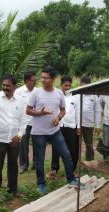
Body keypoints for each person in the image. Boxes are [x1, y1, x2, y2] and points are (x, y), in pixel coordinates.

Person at [26, 66, 78, 194]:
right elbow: (28, 110)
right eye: (42, 77)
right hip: (39, 133)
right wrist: (40, 113)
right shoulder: (36, 93)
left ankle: (71, 179)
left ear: (53, 79)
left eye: (46, 78)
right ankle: (41, 184)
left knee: (66, 154)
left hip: (54, 131)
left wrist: (58, 118)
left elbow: (63, 110)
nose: (43, 80)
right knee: (40, 160)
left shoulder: (59, 93)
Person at [50, 76, 79, 177]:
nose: (67, 87)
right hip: (58, 126)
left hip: (71, 126)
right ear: (61, 85)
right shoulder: (55, 95)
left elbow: (78, 112)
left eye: (69, 86)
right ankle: (54, 169)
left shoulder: (75, 97)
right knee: (56, 148)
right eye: (65, 85)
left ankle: (72, 169)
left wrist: (78, 126)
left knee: (72, 149)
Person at [75, 75, 102, 161]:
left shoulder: (94, 96)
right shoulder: (77, 94)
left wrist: (97, 126)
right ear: (80, 84)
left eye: (86, 86)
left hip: (88, 124)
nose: (85, 88)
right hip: (76, 124)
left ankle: (90, 162)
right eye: (83, 85)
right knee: (75, 144)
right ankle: (76, 163)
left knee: (89, 145)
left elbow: (98, 111)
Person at [15, 71, 37, 174]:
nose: (35, 82)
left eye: (35, 80)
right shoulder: (19, 92)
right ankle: (23, 165)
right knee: (23, 145)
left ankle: (36, 164)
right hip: (23, 123)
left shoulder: (38, 91)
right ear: (27, 81)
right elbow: (15, 106)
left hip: (36, 122)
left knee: (37, 144)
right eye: (33, 80)